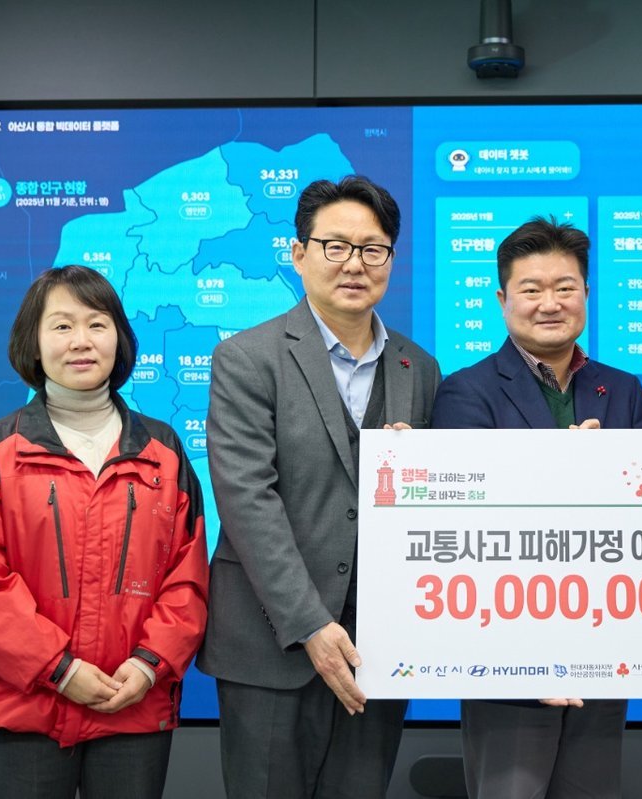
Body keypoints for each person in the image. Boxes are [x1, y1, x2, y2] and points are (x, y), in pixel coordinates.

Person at [198, 175, 441, 798]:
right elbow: (247, 500)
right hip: (270, 644)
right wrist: (310, 624)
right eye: (336, 246)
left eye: (373, 249)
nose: (355, 264)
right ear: (299, 253)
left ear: (391, 259)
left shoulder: (419, 367)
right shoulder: (247, 358)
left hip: (379, 646)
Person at [0, 265, 209, 799]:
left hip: (133, 701)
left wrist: (148, 666)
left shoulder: (163, 452)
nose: (81, 341)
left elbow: (188, 577)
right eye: (62, 326)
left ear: (119, 339)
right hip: (26, 705)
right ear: (33, 343)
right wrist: (58, 669)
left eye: (97, 324)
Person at [432, 216, 642, 798]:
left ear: (587, 294)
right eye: (531, 289)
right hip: (507, 655)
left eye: (565, 287)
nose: (550, 304)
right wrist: (564, 469)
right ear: (502, 299)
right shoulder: (466, 390)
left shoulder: (623, 389)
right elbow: (463, 523)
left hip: (604, 645)